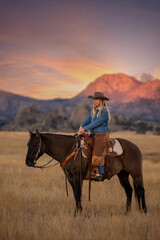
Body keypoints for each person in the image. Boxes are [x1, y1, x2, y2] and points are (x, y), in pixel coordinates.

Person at [77, 91, 110, 179]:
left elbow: (96, 123)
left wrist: (85, 129)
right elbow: (87, 120)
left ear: (101, 101)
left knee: (98, 151)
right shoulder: (93, 111)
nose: (94, 101)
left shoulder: (104, 111)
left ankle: (100, 173)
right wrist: (81, 126)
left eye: (96, 100)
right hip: (93, 134)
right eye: (94, 100)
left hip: (100, 134)